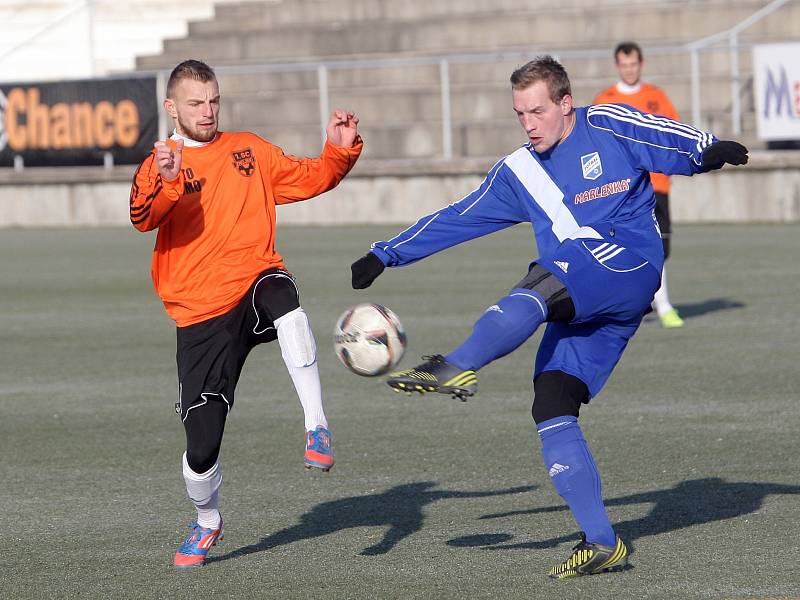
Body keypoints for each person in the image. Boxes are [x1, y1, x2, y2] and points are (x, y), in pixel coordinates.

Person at [350, 56, 747, 578]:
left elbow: (664, 136)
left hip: (626, 264)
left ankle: (455, 365)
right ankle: (602, 541)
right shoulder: (519, 170)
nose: (529, 124)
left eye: (537, 111)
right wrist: (387, 253)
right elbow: (459, 216)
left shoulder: (607, 123)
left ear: (566, 104)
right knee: (552, 400)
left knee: (544, 277)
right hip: (585, 298)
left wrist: (704, 150)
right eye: (519, 114)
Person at [129, 59, 362, 568]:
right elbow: (141, 218)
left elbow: (310, 178)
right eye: (195, 103)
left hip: (254, 282)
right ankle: (207, 520)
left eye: (213, 100)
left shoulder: (249, 149)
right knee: (201, 450)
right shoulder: (162, 161)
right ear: (172, 108)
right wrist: (168, 181)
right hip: (200, 315)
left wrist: (339, 150)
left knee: (284, 297)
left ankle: (316, 426)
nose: (207, 111)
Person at [595, 41, 684, 328]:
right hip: (621, 189)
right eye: (624, 65)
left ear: (640, 64)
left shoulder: (656, 96)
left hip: (655, 185)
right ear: (617, 66)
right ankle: (655, 305)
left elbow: (673, 133)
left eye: (633, 64)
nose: (629, 70)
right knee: (621, 246)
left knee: (661, 247)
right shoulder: (604, 99)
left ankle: (659, 302)